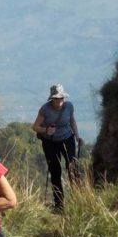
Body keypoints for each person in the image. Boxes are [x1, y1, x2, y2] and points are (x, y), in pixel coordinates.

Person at [32, 83, 83, 212]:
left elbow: (72, 120)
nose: (59, 101)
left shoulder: (69, 106)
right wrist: (46, 129)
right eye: (56, 98)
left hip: (68, 139)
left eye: (61, 98)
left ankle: (80, 200)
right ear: (51, 99)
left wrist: (77, 136)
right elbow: (35, 127)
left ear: (64, 97)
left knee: (72, 168)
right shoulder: (45, 109)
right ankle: (59, 204)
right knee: (55, 171)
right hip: (50, 142)